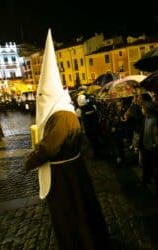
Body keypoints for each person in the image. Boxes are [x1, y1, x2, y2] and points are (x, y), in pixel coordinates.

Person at [24, 30, 109, 250]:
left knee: (72, 212)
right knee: (81, 208)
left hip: (65, 175)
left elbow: (50, 147)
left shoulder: (61, 116)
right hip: (72, 169)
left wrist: (31, 160)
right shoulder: (65, 111)